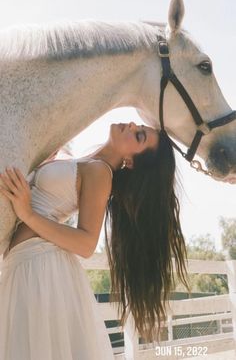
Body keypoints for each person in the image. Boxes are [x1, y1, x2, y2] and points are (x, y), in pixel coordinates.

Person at [0, 122, 189, 359]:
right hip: (25, 264)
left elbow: (87, 243)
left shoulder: (101, 173)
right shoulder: (86, 161)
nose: (131, 125)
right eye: (138, 126)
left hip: (41, 269)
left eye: (139, 135)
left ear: (130, 162)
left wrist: (27, 213)